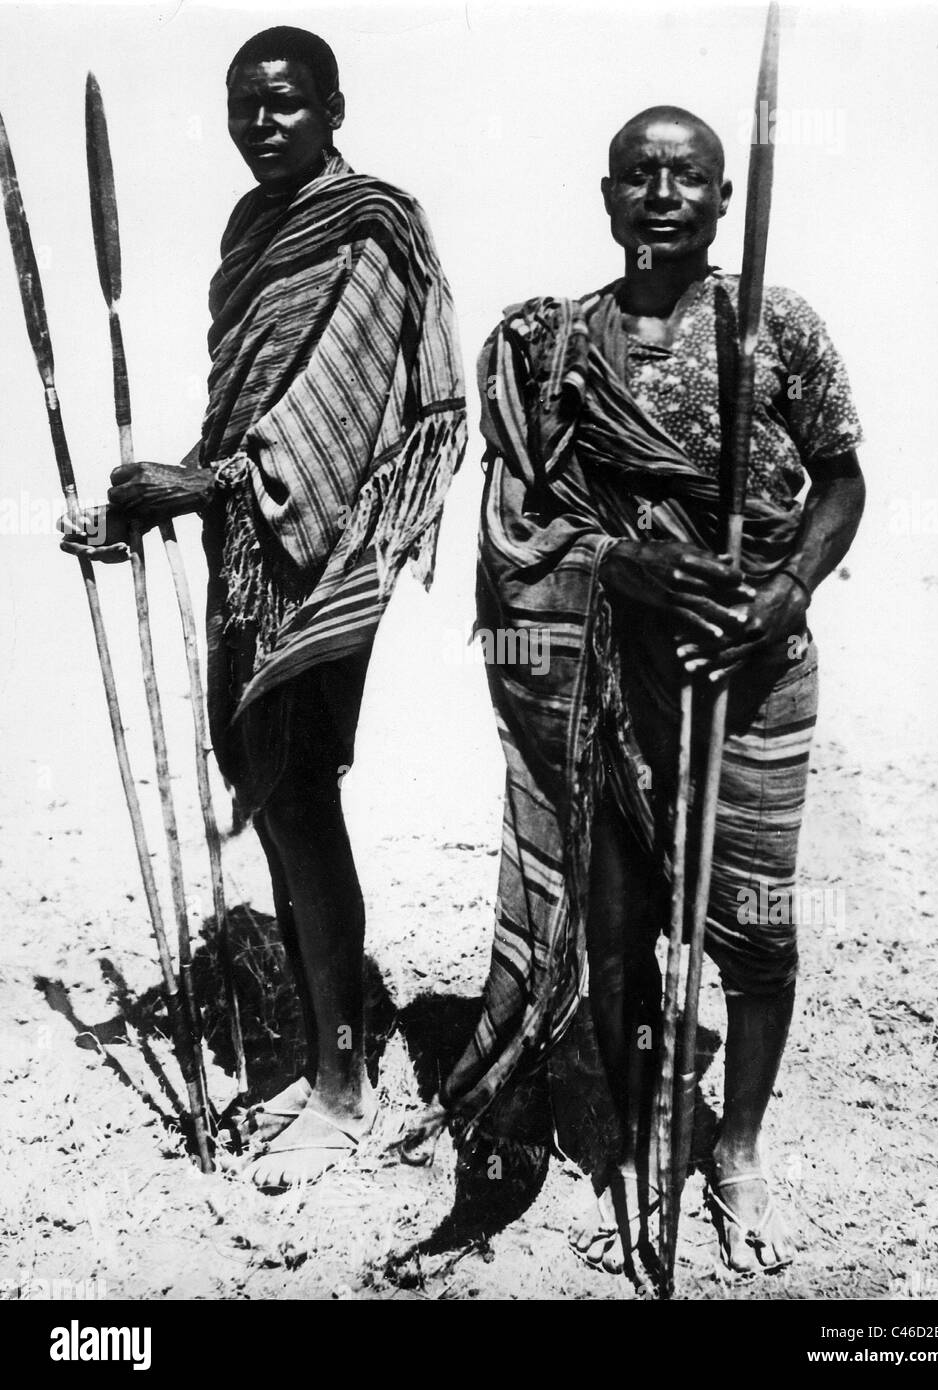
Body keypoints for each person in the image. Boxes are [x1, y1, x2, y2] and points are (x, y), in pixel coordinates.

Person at [409, 105, 864, 1278]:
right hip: (601, 686)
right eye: (638, 176)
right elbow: (515, 520)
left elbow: (840, 482)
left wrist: (789, 590)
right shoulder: (558, 345)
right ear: (605, 195)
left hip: (745, 674)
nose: (662, 195)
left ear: (722, 200)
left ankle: (740, 1147)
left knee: (754, 934)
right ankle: (618, 1132)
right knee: (612, 928)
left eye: (689, 178)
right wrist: (617, 561)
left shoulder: (774, 328)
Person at [64, 26, 466, 1189]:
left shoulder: (374, 222)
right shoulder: (248, 234)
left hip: (325, 544)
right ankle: (324, 1044)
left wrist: (215, 485)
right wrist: (153, 503)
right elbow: (242, 417)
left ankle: (341, 1076)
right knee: (271, 792)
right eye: (243, 103)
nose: (260, 122)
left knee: (298, 795)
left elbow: (348, 414)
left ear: (334, 107)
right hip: (248, 548)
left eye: (284, 103)